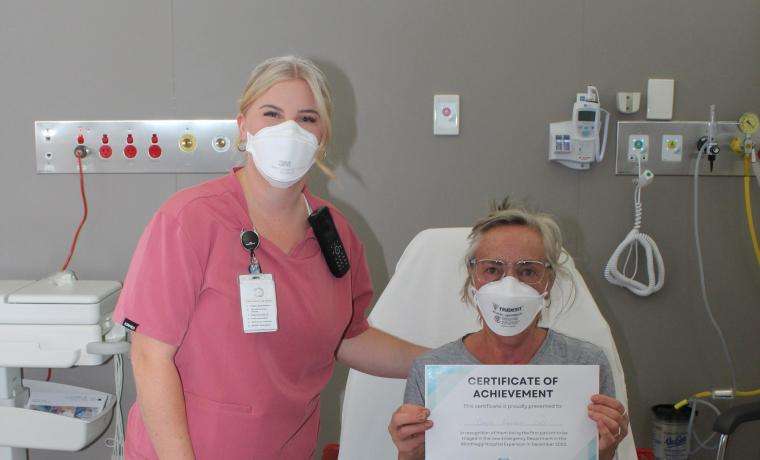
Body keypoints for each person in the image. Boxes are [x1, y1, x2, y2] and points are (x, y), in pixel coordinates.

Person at [114, 55, 427, 459]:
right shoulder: (189, 220)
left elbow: (349, 337)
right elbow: (150, 355)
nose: (289, 130)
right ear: (243, 126)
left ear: (324, 136)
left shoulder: (334, 234)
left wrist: (448, 362)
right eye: (272, 114)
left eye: (307, 118)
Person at [388, 201, 629, 460]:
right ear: (473, 277)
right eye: (493, 269)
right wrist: (409, 452)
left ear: (549, 280)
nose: (510, 287)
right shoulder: (430, 372)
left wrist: (605, 449)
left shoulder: (586, 364)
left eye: (527, 271)